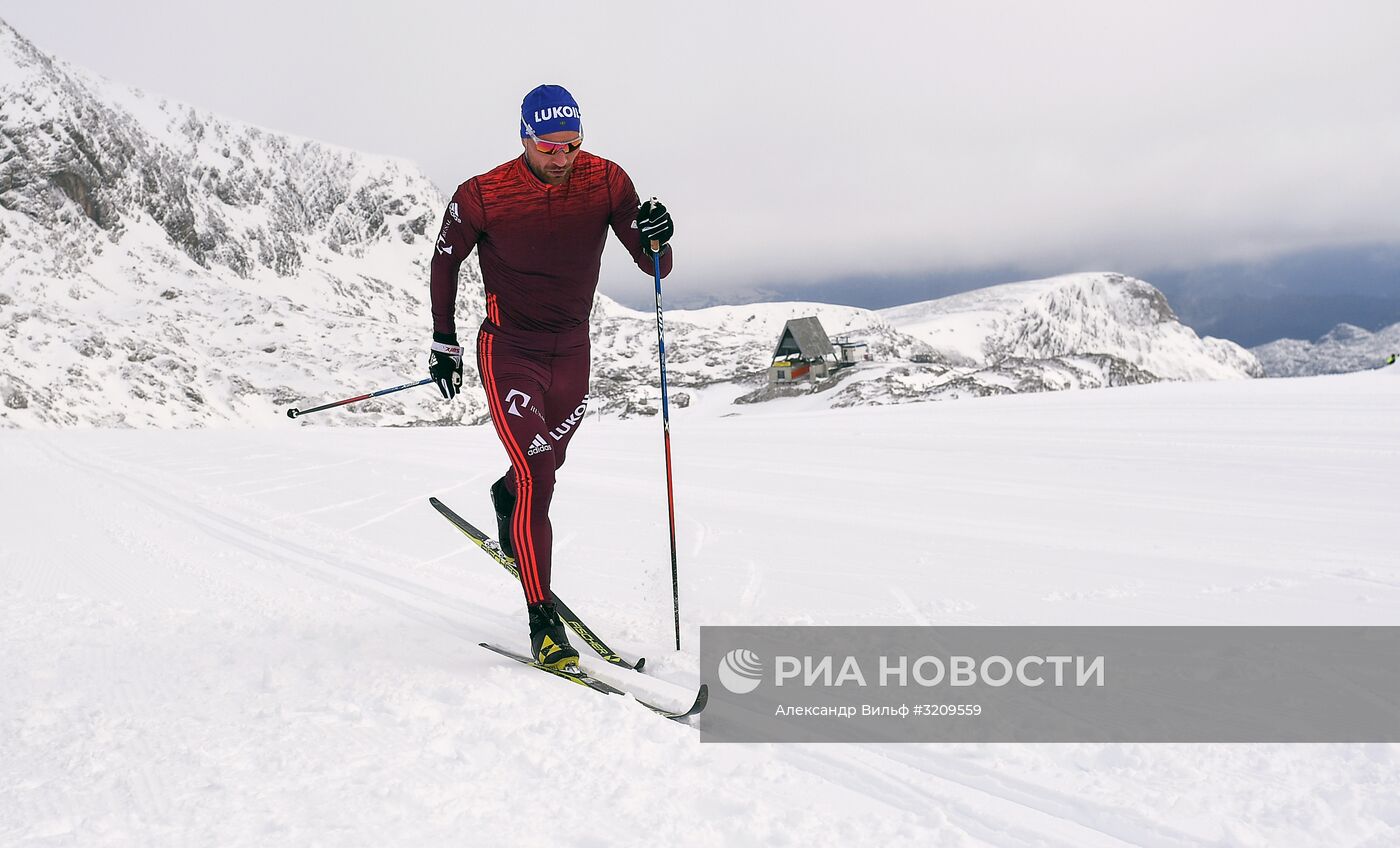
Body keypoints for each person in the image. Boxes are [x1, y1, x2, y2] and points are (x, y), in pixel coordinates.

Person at [426, 84, 675, 670]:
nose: (561, 157)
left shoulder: (607, 181)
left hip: (573, 352)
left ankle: (505, 495)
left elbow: (654, 264)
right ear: (524, 137)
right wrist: (444, 339)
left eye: (571, 144)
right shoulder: (484, 194)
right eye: (549, 146)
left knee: (548, 464)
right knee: (539, 470)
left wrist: (661, 237)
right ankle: (542, 621)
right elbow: (444, 260)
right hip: (509, 350)